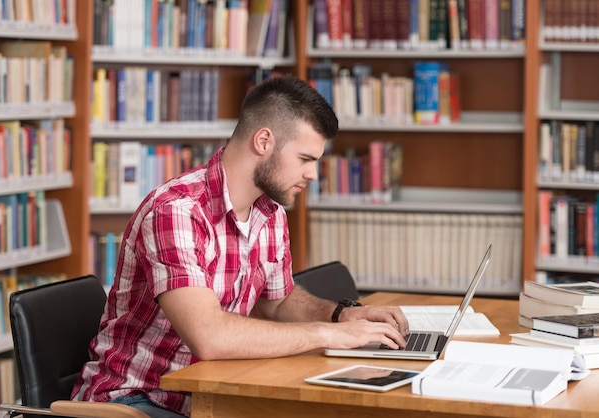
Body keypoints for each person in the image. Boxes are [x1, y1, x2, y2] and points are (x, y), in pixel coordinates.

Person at [72, 75, 409, 418]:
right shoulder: (177, 212)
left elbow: (278, 304)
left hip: (210, 392)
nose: (312, 175)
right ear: (264, 141)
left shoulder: (271, 212)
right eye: (305, 159)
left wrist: (342, 315)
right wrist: (329, 335)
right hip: (139, 398)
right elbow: (210, 337)